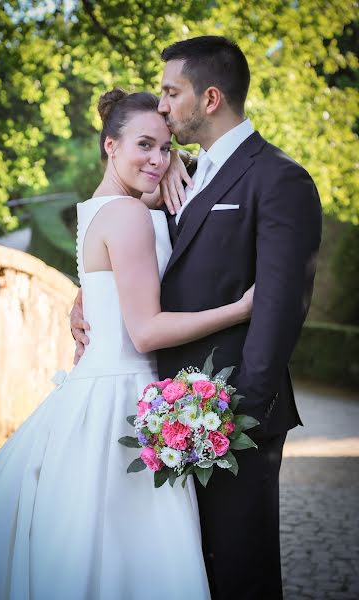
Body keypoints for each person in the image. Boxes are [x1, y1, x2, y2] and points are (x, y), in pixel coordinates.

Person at [0, 88, 256, 599]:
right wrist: (241, 308)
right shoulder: (129, 216)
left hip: (94, 390)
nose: (159, 160)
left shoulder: (100, 209)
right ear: (109, 145)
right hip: (123, 396)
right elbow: (144, 331)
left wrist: (178, 164)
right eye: (145, 145)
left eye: (166, 148)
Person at [71, 37, 322, 599]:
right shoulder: (178, 175)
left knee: (240, 575)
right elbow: (134, 264)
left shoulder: (279, 178)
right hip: (165, 415)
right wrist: (88, 299)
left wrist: (237, 420)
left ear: (210, 98)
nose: (161, 105)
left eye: (170, 92)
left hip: (229, 421)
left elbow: (278, 310)